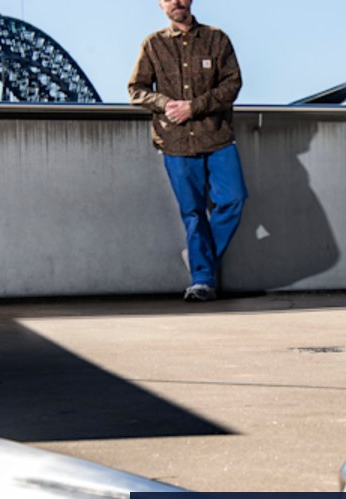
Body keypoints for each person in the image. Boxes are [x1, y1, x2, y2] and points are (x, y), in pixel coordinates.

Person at [129, 0, 247, 302]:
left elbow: (233, 84)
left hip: (217, 137)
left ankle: (200, 258)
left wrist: (194, 107)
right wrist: (164, 104)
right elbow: (136, 90)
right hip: (176, 142)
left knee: (233, 199)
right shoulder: (153, 45)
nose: (176, 2)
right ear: (161, 5)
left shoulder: (216, 38)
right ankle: (203, 280)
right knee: (193, 213)